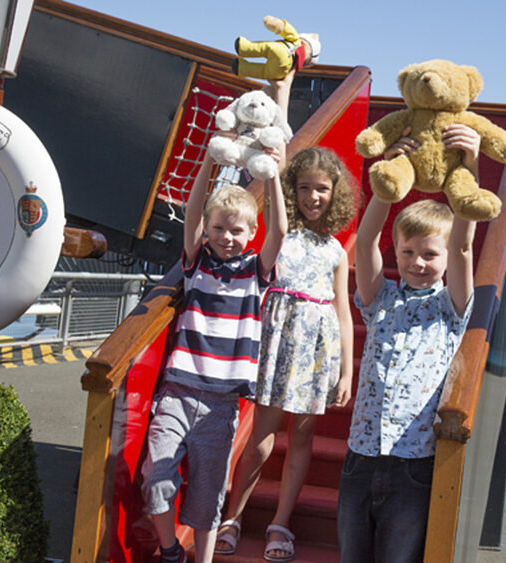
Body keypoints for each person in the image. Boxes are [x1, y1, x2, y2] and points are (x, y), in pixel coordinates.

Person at [337, 124, 483, 563]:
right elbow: (363, 242)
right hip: (361, 458)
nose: (418, 262)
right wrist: (389, 179)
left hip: (414, 464)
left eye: (428, 254)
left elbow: (461, 246)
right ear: (396, 252)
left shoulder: (451, 306)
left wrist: (469, 167)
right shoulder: (380, 300)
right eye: (407, 252)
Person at [140, 139, 287, 563]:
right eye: (219, 228)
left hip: (222, 402)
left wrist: (273, 177)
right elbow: (192, 214)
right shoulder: (197, 262)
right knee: (157, 477)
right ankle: (171, 550)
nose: (226, 237)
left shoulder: (256, 271)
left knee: (207, 495)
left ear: (251, 233)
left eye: (237, 230)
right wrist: (209, 158)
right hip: (179, 391)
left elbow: (280, 231)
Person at [215, 146, 357, 562]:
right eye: (304, 188)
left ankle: (281, 522)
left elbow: (343, 313)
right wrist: (274, 170)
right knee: (262, 435)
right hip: (278, 343)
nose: (313, 197)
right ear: (292, 191)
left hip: (317, 351)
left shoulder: (336, 250)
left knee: (303, 435)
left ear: (336, 194)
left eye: (323, 189)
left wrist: (346, 371)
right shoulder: (280, 236)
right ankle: (234, 516)